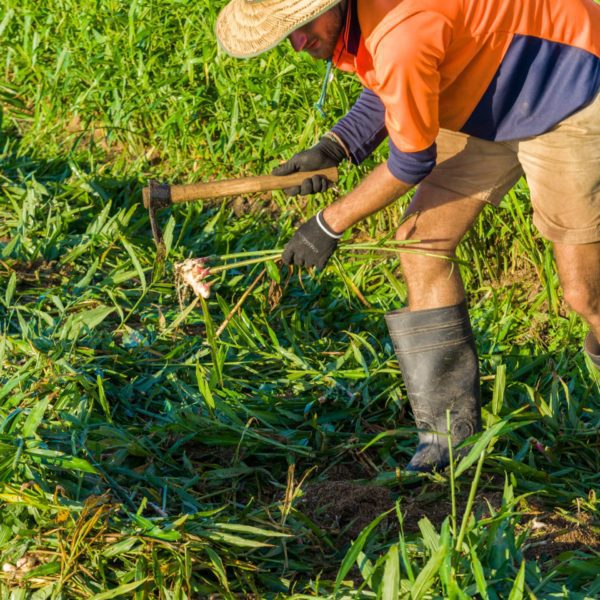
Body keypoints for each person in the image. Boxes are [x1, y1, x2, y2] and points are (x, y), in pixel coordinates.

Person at [215, 0, 600, 472]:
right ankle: (447, 441)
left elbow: (411, 162)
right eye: (287, 35)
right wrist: (334, 146)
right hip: (491, 93)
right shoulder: (365, 24)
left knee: (584, 295)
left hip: (569, 88)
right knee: (420, 242)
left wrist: (328, 222)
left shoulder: (400, 29)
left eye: (302, 25)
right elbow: (391, 88)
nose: (300, 43)